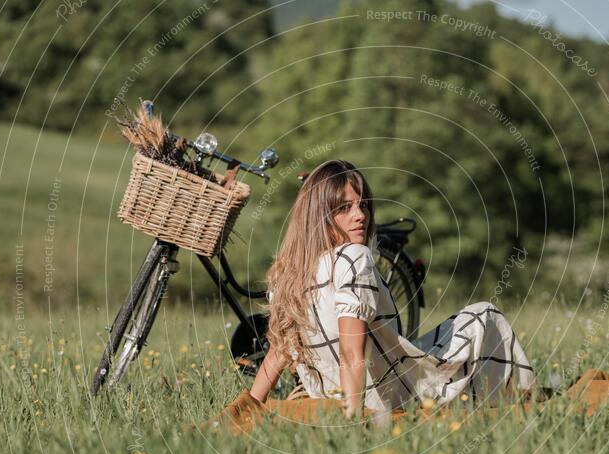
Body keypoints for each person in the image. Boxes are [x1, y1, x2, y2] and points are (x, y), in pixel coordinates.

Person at [227, 160, 536, 421]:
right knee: (484, 315)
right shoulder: (353, 257)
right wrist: (353, 416)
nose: (360, 215)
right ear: (319, 216)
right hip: (382, 399)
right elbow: (351, 352)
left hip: (329, 398)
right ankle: (524, 401)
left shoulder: (287, 273)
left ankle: (507, 399)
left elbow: (278, 352)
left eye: (363, 205)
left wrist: (250, 406)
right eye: (345, 208)